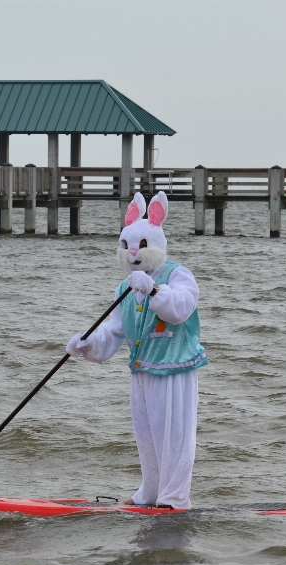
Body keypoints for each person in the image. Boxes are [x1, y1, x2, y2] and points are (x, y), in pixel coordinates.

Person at [66, 191, 207, 510]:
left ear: (155, 244)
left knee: (174, 435)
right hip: (142, 369)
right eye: (127, 246)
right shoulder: (125, 287)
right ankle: (151, 492)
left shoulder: (177, 274)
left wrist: (155, 289)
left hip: (175, 367)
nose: (133, 253)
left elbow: (181, 308)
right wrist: (88, 343)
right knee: (146, 436)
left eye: (141, 246)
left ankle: (174, 498)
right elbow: (115, 331)